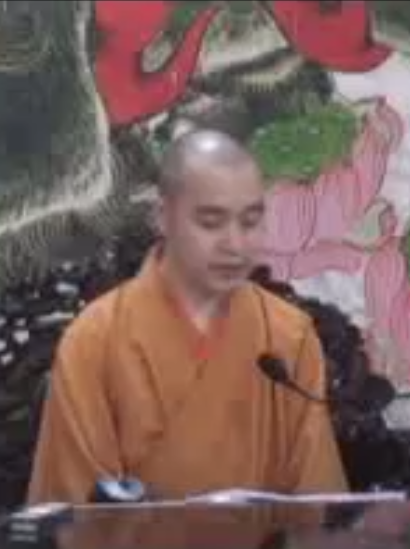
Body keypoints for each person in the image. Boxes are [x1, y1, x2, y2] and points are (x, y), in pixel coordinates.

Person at [27, 129, 348, 506]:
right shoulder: (95, 339)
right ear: (163, 217)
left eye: (250, 222)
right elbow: (77, 512)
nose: (234, 245)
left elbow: (318, 506)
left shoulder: (288, 336)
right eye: (211, 222)